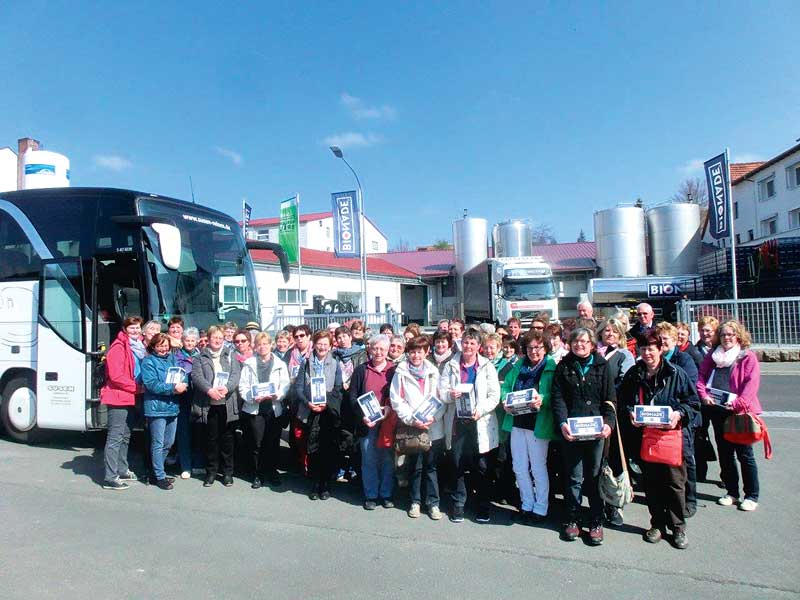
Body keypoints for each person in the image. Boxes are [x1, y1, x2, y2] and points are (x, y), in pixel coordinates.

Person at [619, 331, 699, 549]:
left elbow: (693, 403)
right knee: (652, 485)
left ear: (660, 349)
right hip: (646, 439)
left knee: (674, 484)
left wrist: (678, 414)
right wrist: (630, 413)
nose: (647, 353)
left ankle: (678, 527)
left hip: (672, 438)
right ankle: (657, 524)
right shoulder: (634, 374)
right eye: (643, 349)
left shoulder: (676, 373)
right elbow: (624, 399)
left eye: (651, 349)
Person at [551, 327, 616, 546]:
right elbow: (557, 398)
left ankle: (596, 521)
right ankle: (572, 519)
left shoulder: (602, 365)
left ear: (592, 344)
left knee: (595, 477)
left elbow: (610, 399)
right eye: (576, 341)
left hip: (596, 432)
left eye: (584, 341)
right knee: (573, 478)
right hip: (572, 432)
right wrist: (562, 423)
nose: (580, 345)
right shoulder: (564, 366)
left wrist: (608, 424)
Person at [696, 320, 763, 512]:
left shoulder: (747, 357)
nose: (727, 338)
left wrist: (736, 404)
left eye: (731, 334)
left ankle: (751, 495)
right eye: (724, 334)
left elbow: (751, 385)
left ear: (739, 336)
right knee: (725, 454)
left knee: (745, 455)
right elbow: (701, 376)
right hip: (718, 411)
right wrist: (704, 395)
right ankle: (732, 492)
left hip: (739, 413)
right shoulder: (713, 355)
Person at [441, 329, 501, 523]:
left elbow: (494, 395)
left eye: (472, 343)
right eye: (466, 342)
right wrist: (450, 395)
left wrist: (480, 410)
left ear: (478, 346)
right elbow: (441, 391)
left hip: (479, 422)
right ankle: (459, 504)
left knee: (481, 466)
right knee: (457, 464)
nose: (468, 346)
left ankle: (482, 505)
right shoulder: (451, 364)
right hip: (458, 422)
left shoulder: (486, 366)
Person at [500, 330, 558, 522]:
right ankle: (526, 503)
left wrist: (542, 399)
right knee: (519, 466)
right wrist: (504, 401)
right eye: (530, 347)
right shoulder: (518, 365)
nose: (534, 351)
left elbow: (557, 395)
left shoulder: (551, 367)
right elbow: (506, 387)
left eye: (538, 347)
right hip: (517, 422)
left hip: (538, 424)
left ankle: (541, 507)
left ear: (545, 348)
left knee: (538, 467)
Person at [390, 335, 444, 520]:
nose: (416, 356)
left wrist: (433, 418)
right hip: (413, 427)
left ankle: (433, 503)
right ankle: (415, 502)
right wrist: (413, 420)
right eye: (412, 352)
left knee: (431, 467)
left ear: (426, 352)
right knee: (416, 467)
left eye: (419, 352)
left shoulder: (433, 371)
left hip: (432, 427)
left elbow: (441, 398)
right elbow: (397, 400)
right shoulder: (401, 372)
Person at [595, 317, 636, 525]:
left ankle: (614, 506)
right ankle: (597, 504)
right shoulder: (594, 354)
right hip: (593, 414)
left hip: (614, 416)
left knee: (614, 462)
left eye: (613, 331)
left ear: (620, 335)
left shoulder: (624, 355)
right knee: (596, 462)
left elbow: (624, 383)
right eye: (606, 331)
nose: (609, 334)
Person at [294, 330, 344, 500]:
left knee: (328, 450)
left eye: (325, 344)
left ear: (330, 346)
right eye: (319, 343)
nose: (322, 347)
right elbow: (298, 388)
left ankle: (326, 484)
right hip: (310, 411)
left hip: (328, 412)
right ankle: (315, 484)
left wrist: (326, 403)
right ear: (314, 344)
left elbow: (338, 389)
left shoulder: (336, 363)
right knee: (312, 449)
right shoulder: (306, 363)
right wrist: (308, 403)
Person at [349, 334, 396, 510]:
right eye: (375, 348)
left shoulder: (393, 370)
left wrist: (390, 409)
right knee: (368, 459)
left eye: (382, 349)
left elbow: (398, 395)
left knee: (387, 459)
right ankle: (371, 495)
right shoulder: (361, 370)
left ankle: (386, 494)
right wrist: (363, 416)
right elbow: (352, 396)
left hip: (387, 423)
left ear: (387, 351)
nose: (378, 352)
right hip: (367, 423)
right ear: (369, 349)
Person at [238, 332, 291, 489]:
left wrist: (278, 395)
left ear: (271, 345)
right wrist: (252, 397)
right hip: (255, 409)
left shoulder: (280, 364)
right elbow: (243, 386)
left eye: (265, 344)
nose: (262, 347)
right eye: (259, 344)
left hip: (273, 409)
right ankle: (258, 474)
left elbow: (285, 384)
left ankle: (272, 472)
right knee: (256, 444)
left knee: (272, 443)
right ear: (255, 346)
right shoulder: (249, 363)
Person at [192, 325, 241, 487]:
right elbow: (197, 377)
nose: (218, 340)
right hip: (209, 404)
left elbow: (235, 375)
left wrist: (227, 388)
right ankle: (211, 472)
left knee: (227, 440)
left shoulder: (230, 355)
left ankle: (228, 473)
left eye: (220, 338)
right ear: (209, 338)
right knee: (211, 440)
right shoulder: (200, 357)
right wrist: (209, 390)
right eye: (215, 337)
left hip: (226, 403)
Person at [100, 316, 145, 490]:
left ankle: (122, 468)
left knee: (125, 436)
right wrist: (137, 388)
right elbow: (116, 376)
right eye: (132, 328)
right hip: (119, 397)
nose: (135, 330)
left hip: (131, 396)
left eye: (138, 327)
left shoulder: (138, 346)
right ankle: (110, 477)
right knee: (115, 438)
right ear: (125, 329)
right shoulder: (118, 347)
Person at [141, 333, 188, 490]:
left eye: (165, 345)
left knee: (169, 443)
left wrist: (183, 384)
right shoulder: (148, 362)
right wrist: (173, 388)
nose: (163, 348)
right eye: (160, 345)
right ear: (153, 346)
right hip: (156, 408)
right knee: (158, 443)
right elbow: (151, 384)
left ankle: (156, 472)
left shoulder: (172, 359)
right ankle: (159, 476)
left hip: (172, 407)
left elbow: (182, 375)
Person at [334, 325, 368, 482]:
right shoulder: (334, 355)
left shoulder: (361, 354)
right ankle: (342, 468)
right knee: (342, 434)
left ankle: (355, 467)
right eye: (339, 337)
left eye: (344, 336)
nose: (342, 340)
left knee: (355, 436)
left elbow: (363, 376)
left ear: (350, 337)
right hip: (339, 398)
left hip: (354, 398)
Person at [693, 315, 720, 482]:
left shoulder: (721, 350)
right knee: (700, 435)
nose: (704, 333)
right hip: (701, 399)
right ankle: (700, 472)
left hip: (719, 400)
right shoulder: (695, 350)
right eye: (701, 330)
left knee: (722, 439)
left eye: (708, 330)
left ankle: (726, 475)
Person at [174, 327, 200, 479]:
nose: (189, 343)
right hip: (182, 397)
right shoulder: (175, 356)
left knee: (198, 432)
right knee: (183, 433)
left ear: (197, 341)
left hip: (198, 398)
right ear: (182, 341)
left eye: (192, 340)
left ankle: (198, 463)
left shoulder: (202, 355)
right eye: (187, 340)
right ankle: (186, 466)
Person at [288, 324, 313, 475]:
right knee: (298, 435)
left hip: (312, 400)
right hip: (295, 401)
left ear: (309, 336)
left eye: (302, 335)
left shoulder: (315, 353)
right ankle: (301, 464)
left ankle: (312, 464)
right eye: (296, 336)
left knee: (312, 434)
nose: (299, 339)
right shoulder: (290, 355)